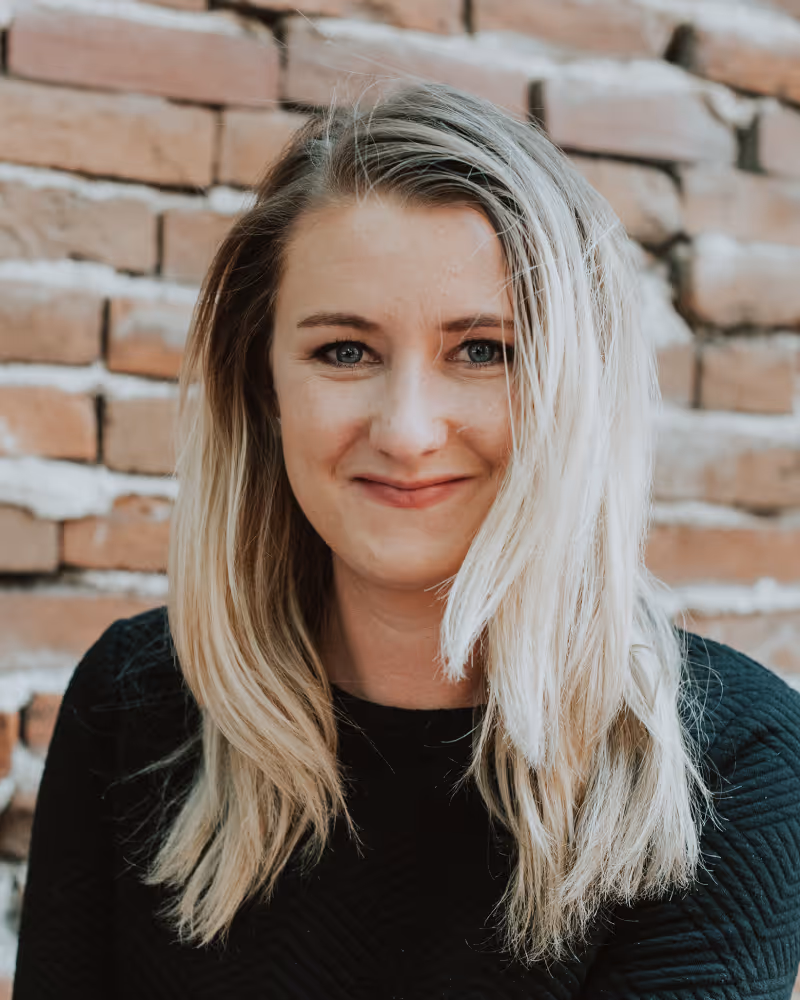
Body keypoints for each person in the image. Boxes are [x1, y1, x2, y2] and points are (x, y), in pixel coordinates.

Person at [12, 81, 800, 999]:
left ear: (575, 389)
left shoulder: (731, 764)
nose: (409, 430)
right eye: (344, 351)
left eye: (483, 351)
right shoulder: (133, 702)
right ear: (264, 389)